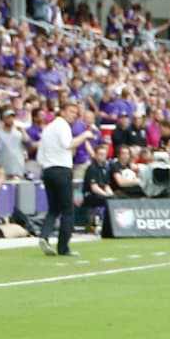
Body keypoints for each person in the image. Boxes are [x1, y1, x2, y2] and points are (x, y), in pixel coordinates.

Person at [37, 101, 95, 257]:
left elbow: (40, 154)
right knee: (68, 210)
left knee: (53, 209)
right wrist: (84, 135)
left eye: (75, 112)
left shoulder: (48, 128)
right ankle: (64, 247)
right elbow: (67, 144)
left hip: (48, 170)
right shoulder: (62, 126)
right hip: (62, 169)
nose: (74, 115)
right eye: (71, 111)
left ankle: (44, 235)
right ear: (62, 111)